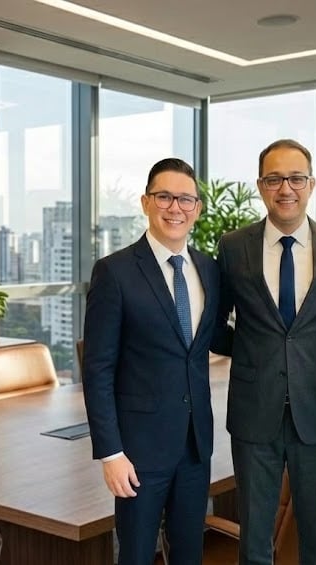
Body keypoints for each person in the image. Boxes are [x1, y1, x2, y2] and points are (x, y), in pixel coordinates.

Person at [213, 139, 316, 565]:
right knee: (254, 537)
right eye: (274, 178)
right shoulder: (233, 246)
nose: (285, 188)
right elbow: (215, 326)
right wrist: (256, 355)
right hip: (255, 410)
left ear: (311, 184)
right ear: (260, 185)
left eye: (296, 178)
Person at [82, 157, 219, 565]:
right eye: (164, 197)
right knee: (137, 556)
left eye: (185, 199)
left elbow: (206, 343)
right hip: (138, 453)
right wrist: (110, 453)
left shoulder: (209, 270)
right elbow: (98, 369)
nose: (174, 207)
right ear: (145, 202)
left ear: (197, 208)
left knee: (189, 554)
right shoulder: (115, 272)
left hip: (196, 446)